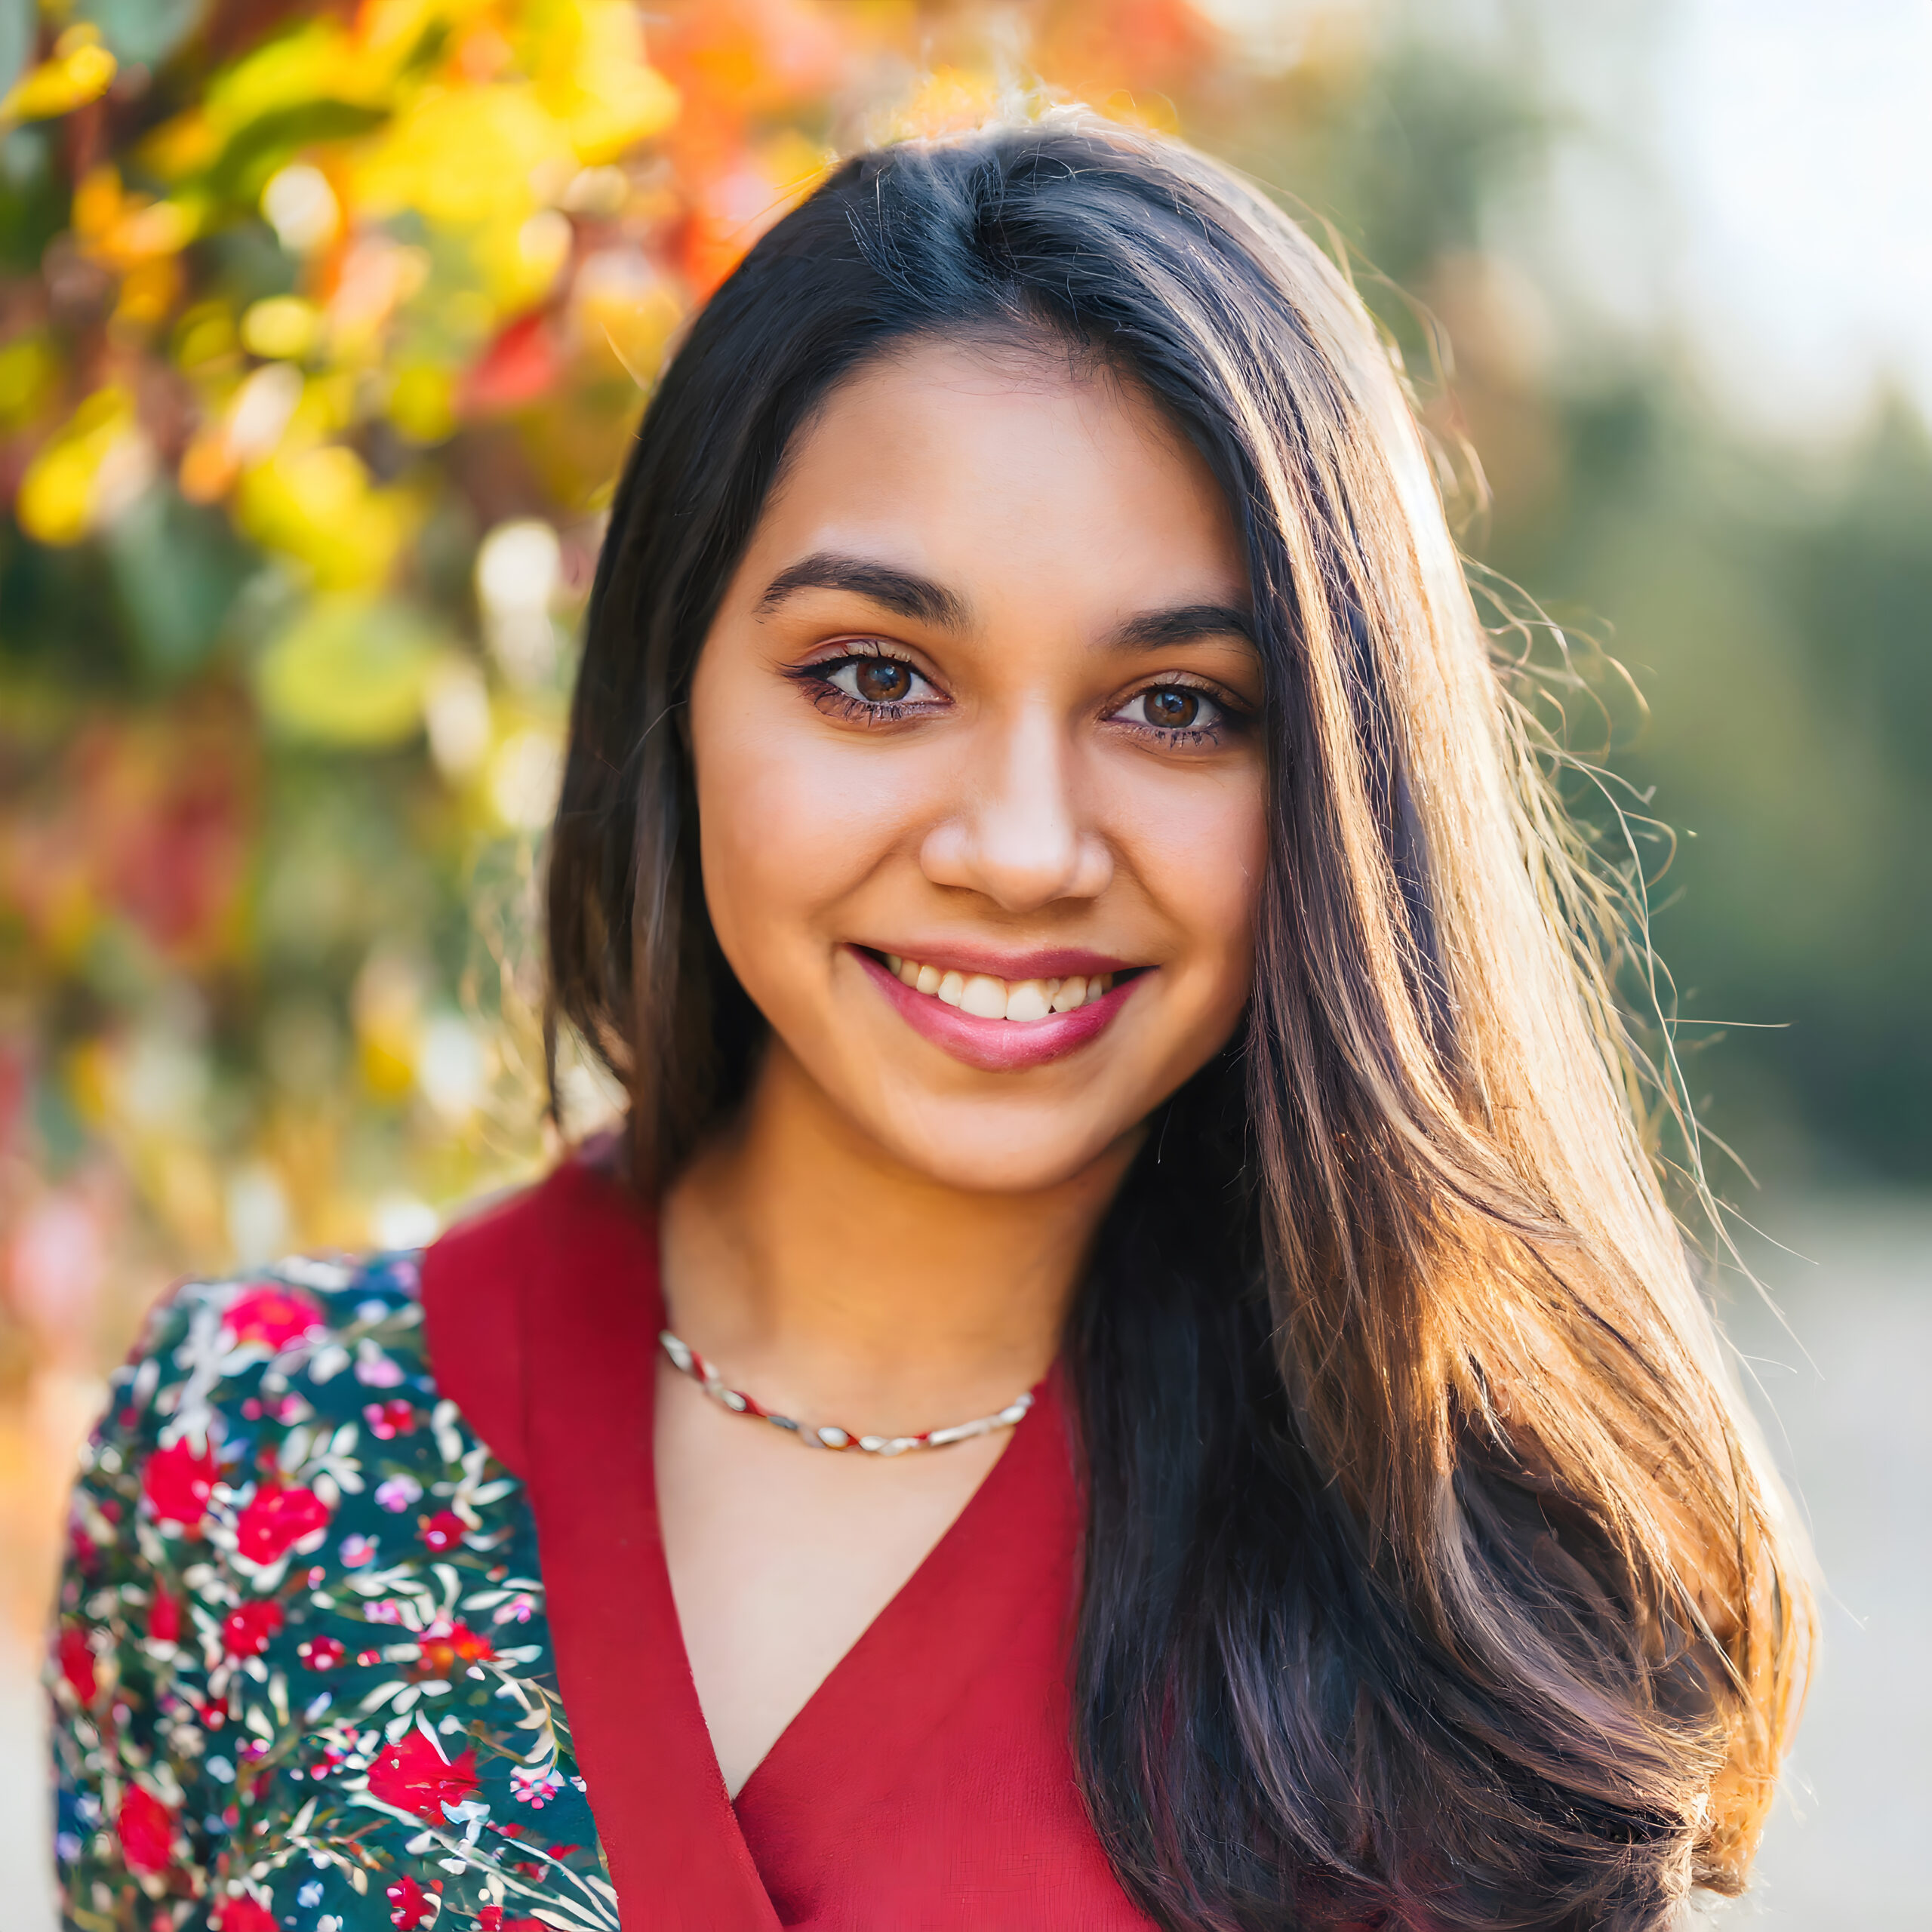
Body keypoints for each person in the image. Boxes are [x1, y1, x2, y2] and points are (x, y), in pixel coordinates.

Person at [48, 116, 1811, 1932]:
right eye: (875, 678)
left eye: (1176, 704)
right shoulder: (252, 1443)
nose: (1022, 849)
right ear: (676, 690)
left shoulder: (1483, 1606)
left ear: (1346, 784)